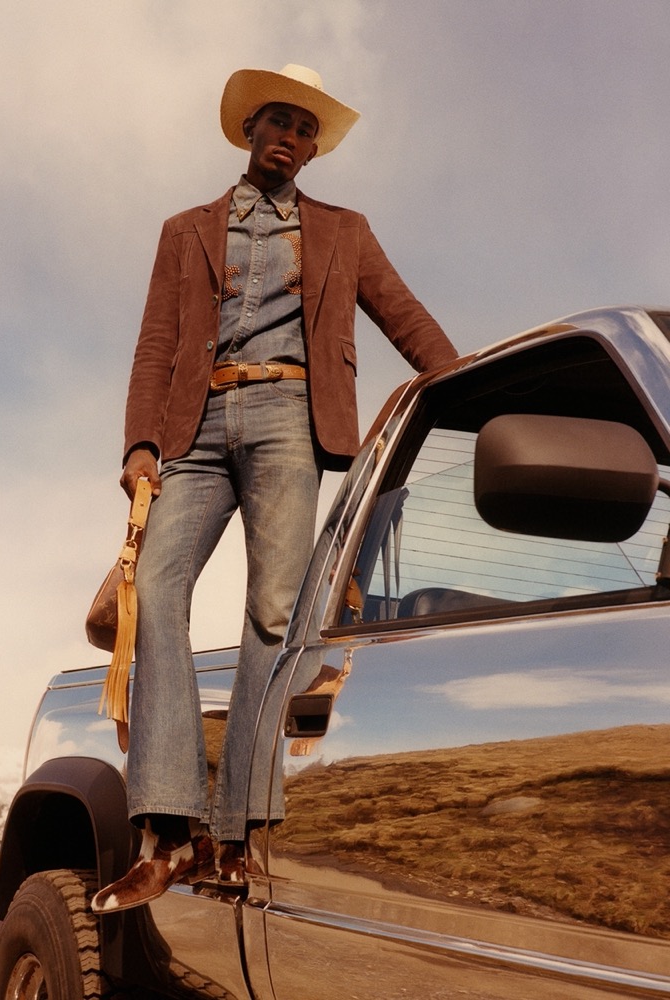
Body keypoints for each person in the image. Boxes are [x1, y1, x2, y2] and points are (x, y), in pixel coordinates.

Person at [91, 64, 458, 914]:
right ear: (250, 129)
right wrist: (142, 444)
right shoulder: (186, 230)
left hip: (293, 416)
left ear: (314, 147)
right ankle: (168, 836)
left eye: (304, 128)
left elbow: (404, 316)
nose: (288, 138)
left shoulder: (344, 231)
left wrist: (467, 387)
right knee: (155, 588)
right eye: (276, 122)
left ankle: (235, 836)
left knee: (273, 612)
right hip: (197, 423)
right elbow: (155, 347)